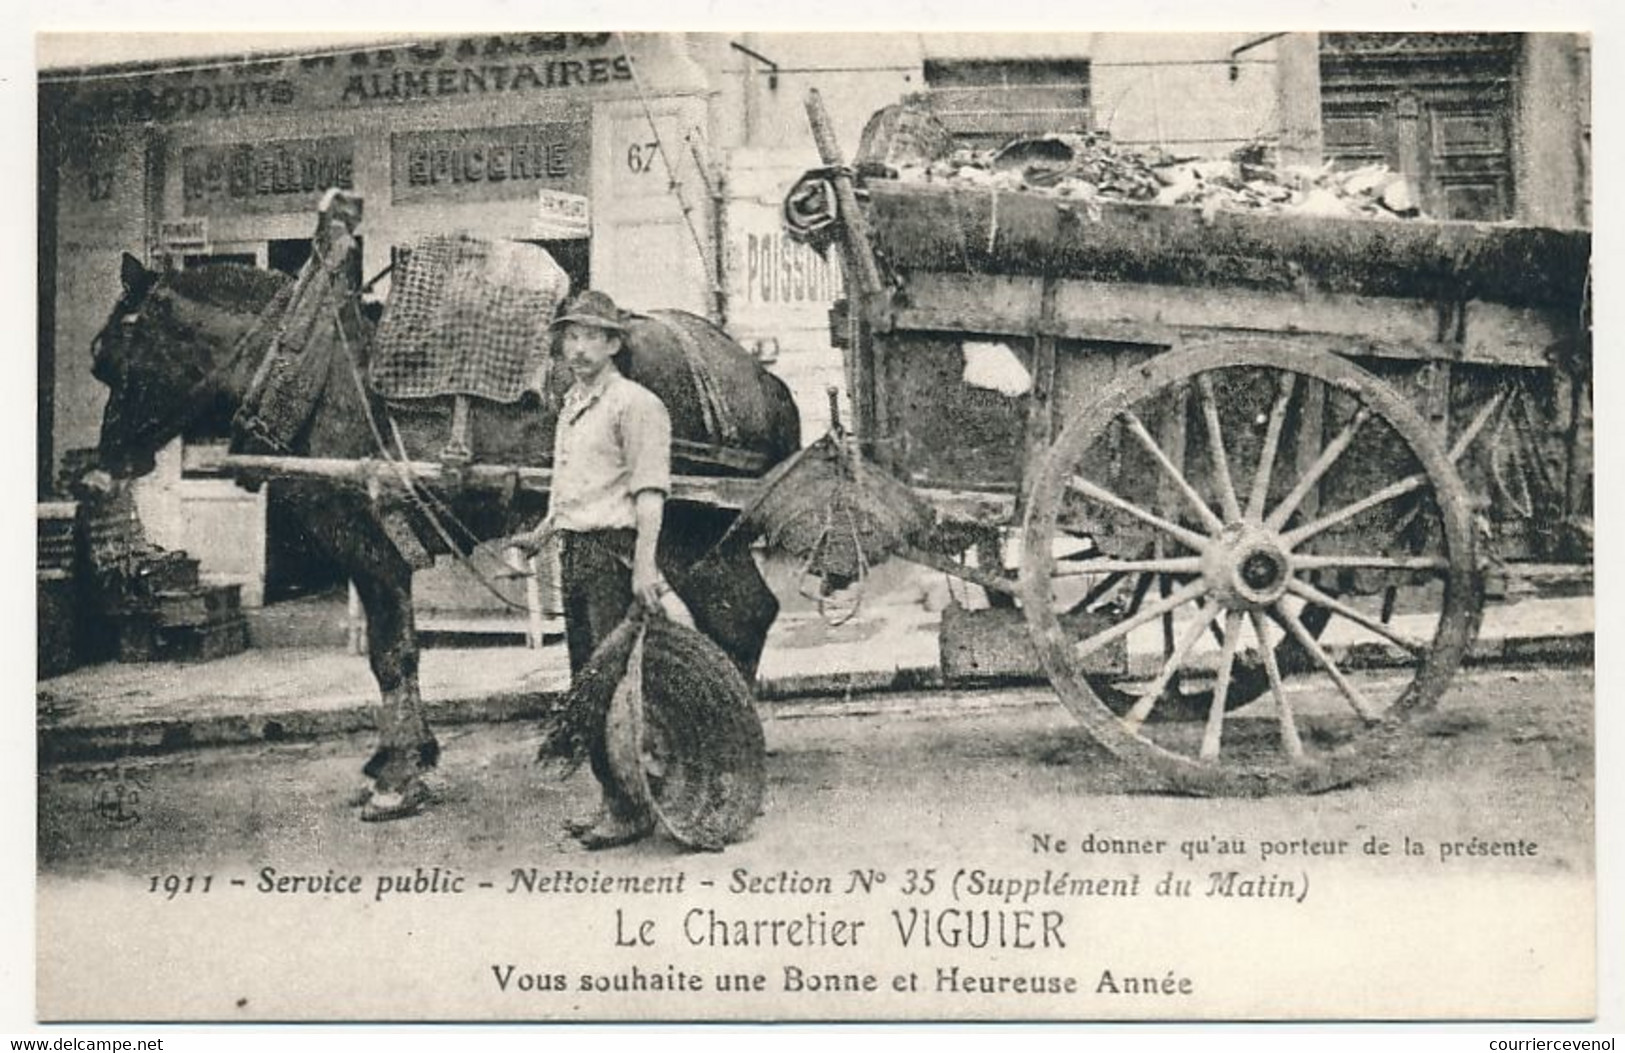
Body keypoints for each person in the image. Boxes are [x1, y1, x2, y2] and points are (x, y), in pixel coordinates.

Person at [512, 290, 671, 849]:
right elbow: (569, 491)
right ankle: (614, 800)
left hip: (614, 556)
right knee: (587, 683)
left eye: (591, 337)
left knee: (613, 690)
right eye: (571, 336)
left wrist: (644, 567)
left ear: (614, 344)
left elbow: (649, 493)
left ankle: (631, 808)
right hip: (574, 554)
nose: (578, 348)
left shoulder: (637, 405)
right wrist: (541, 535)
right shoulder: (573, 405)